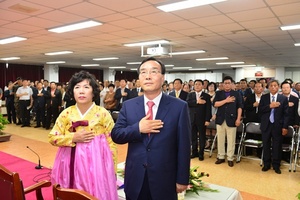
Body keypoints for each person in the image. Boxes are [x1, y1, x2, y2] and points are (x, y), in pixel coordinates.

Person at [111, 57, 191, 200]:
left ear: (162, 78)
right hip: (135, 177)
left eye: (153, 72)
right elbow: (116, 135)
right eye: (143, 72)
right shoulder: (129, 105)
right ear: (139, 79)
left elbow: (184, 146)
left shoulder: (179, 106)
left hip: (165, 178)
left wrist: (183, 178)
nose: (147, 76)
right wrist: (138, 128)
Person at [49, 71, 118, 199]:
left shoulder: (103, 113)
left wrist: (112, 168)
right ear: (72, 92)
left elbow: (112, 142)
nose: (81, 91)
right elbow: (52, 138)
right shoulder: (66, 113)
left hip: (97, 165)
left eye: (86, 87)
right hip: (70, 162)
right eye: (77, 87)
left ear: (93, 91)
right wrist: (72, 138)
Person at [258, 80, 289, 174]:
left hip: (277, 126)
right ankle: (266, 164)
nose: (273, 87)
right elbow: (260, 110)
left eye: (275, 85)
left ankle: (276, 165)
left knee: (277, 146)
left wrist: (285, 127)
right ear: (268, 87)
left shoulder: (283, 98)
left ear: (278, 87)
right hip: (266, 125)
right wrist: (270, 106)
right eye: (271, 85)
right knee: (266, 145)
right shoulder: (264, 97)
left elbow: (286, 114)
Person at [213, 76, 243, 167]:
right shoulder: (218, 93)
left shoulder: (236, 94)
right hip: (220, 119)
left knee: (231, 140)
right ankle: (221, 156)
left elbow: (240, 107)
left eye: (229, 83)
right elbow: (215, 104)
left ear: (232, 84)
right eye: (225, 83)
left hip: (232, 119)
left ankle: (230, 158)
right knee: (220, 139)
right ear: (222, 84)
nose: (227, 85)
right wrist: (226, 100)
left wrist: (238, 119)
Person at [187, 79, 211, 161]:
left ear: (203, 86)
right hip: (192, 119)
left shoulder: (206, 96)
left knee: (202, 137)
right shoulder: (190, 95)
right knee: (193, 137)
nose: (197, 86)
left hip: (202, 119)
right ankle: (194, 152)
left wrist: (207, 120)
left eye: (199, 84)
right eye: (196, 84)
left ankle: (201, 153)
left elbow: (208, 109)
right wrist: (197, 102)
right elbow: (187, 103)